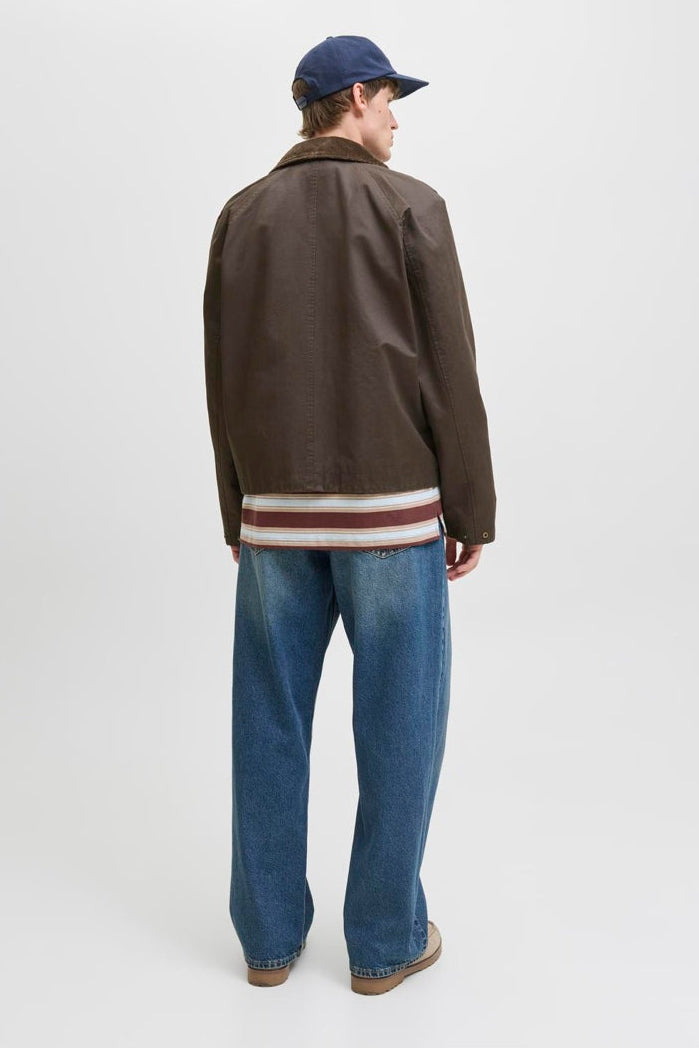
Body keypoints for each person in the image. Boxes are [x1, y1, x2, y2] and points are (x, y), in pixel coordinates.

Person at [203, 34, 497, 995]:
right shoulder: (411, 205)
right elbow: (449, 369)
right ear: (357, 96)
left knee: (267, 721)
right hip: (391, 515)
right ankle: (382, 943)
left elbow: (221, 376)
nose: (397, 119)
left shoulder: (241, 214)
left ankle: (266, 943)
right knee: (400, 725)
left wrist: (236, 510)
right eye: (391, 100)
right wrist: (472, 507)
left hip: (274, 516)